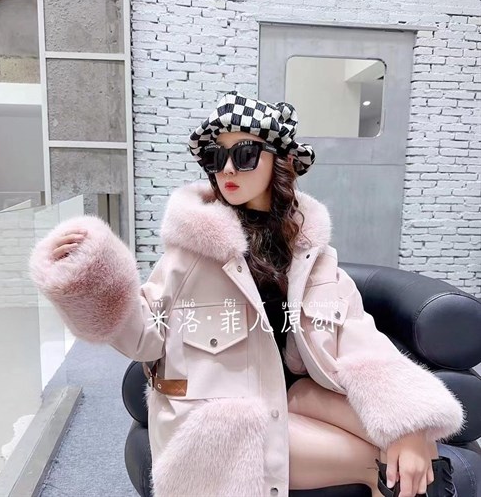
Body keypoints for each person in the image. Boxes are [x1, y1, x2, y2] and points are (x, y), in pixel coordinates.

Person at [28, 90, 465, 497]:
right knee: (391, 463)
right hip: (222, 420)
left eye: (244, 153)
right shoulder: (192, 253)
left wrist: (408, 423)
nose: (228, 169)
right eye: (216, 156)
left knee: (414, 438)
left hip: (295, 395)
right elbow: (144, 334)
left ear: (280, 161)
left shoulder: (309, 251)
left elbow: (355, 332)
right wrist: (93, 276)